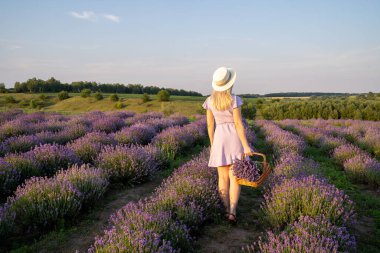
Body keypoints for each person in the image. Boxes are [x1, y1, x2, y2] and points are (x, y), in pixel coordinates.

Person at [202, 66, 253, 224]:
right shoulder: (234, 99)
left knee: (222, 178)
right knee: (234, 177)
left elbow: (210, 126)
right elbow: (238, 124)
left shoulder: (209, 101)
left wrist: (213, 145)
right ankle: (232, 211)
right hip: (234, 139)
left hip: (220, 139)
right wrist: (246, 146)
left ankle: (224, 209)